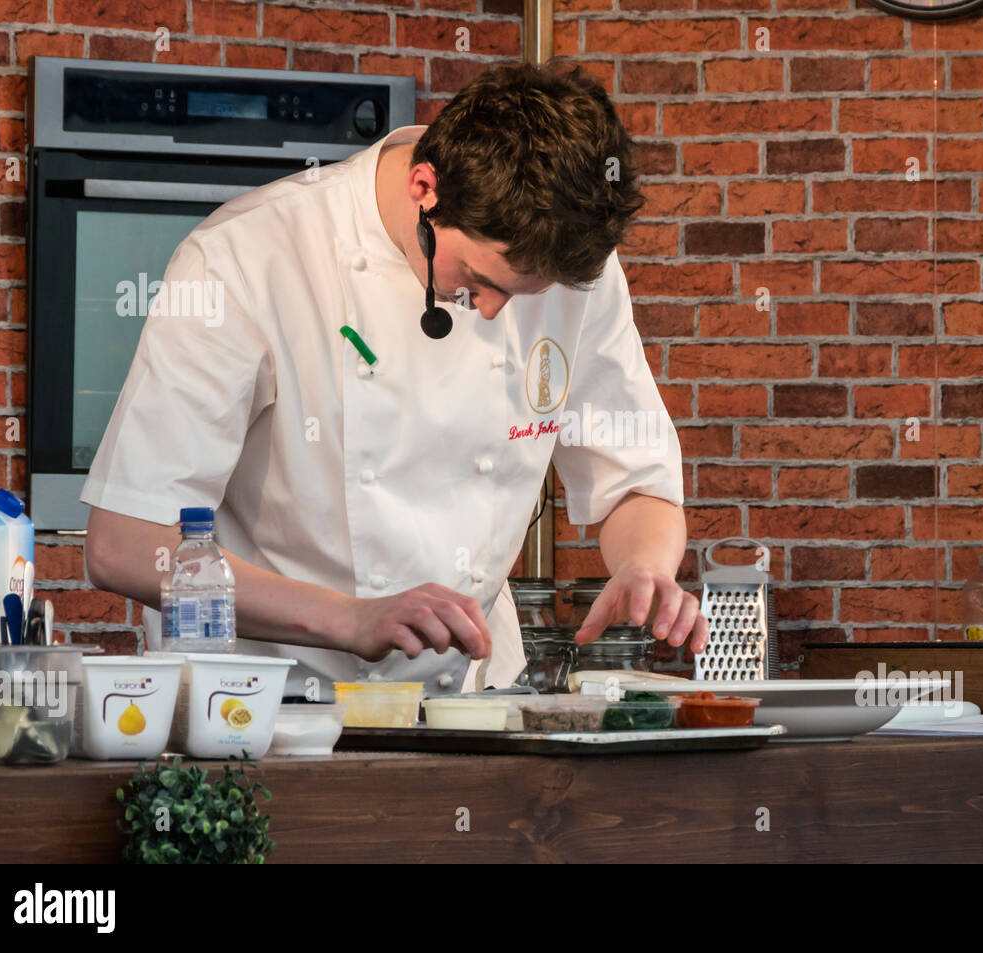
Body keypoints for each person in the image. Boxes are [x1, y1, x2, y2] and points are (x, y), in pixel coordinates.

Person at [82, 62, 708, 698]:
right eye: (477, 279)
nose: (492, 312)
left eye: (524, 294)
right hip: (266, 706)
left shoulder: (571, 265)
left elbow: (637, 482)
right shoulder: (244, 258)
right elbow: (125, 544)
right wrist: (350, 618)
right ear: (425, 188)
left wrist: (644, 567)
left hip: (472, 703)